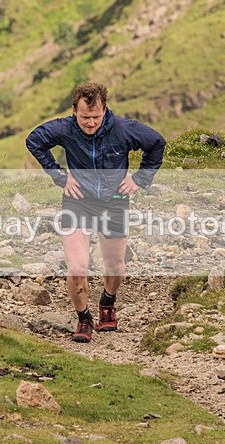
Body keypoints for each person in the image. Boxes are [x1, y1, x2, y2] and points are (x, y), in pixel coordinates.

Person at [25, 83, 166, 342]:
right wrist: (59, 176)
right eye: (84, 117)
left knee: (114, 264)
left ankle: (107, 302)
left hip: (114, 202)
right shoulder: (65, 129)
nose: (90, 123)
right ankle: (84, 319)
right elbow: (34, 141)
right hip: (78, 201)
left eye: (96, 117)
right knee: (77, 267)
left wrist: (139, 180)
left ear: (105, 110)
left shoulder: (123, 130)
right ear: (74, 111)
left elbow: (157, 143)